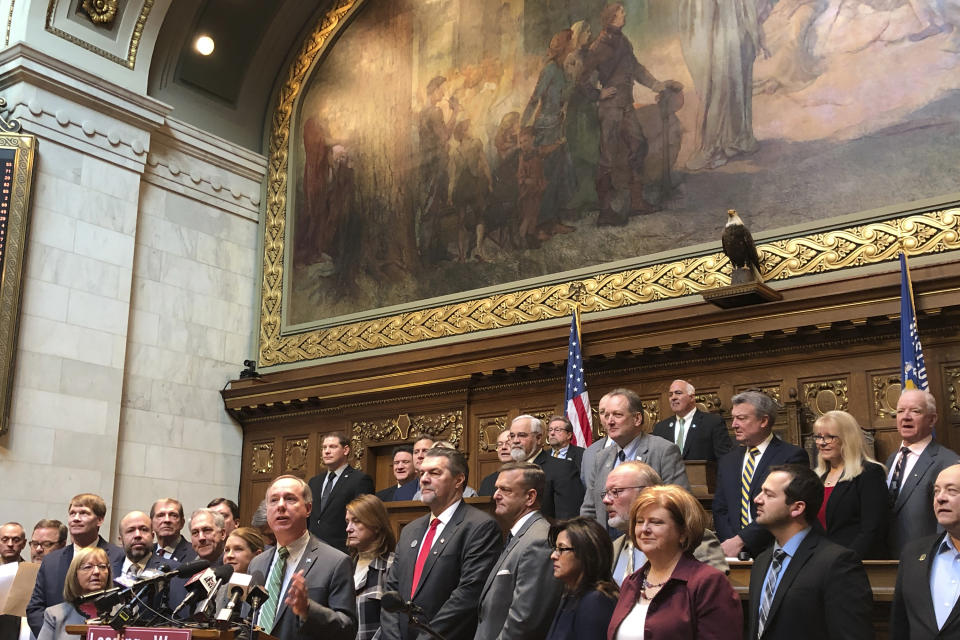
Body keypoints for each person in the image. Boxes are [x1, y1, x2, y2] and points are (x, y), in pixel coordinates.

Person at [380, 447, 502, 640]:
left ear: (458, 480)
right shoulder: (410, 529)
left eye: (434, 473)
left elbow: (467, 596)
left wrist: (426, 637)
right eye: (422, 473)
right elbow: (391, 590)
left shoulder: (480, 527)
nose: (424, 479)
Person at [747, 464, 872, 639]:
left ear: (797, 508)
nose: (757, 499)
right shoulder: (762, 561)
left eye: (769, 495)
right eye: (761, 492)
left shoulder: (837, 563)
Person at [608, 486, 742, 639]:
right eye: (639, 521)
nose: (644, 529)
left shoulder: (708, 582)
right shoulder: (631, 583)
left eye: (656, 522)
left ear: (683, 533)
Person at [579, 2, 668, 225]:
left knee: (639, 145)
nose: (624, 14)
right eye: (621, 12)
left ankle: (636, 202)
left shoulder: (624, 41)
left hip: (626, 105)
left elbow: (636, 68)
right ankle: (605, 211)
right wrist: (598, 94)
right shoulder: (598, 46)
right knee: (607, 158)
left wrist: (655, 84)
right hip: (610, 109)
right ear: (611, 18)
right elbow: (583, 77)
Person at [248, 475, 357, 640]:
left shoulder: (335, 562)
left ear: (308, 508)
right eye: (274, 500)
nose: (281, 506)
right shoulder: (257, 563)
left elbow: (347, 628)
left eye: (290, 499)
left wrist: (307, 609)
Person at [713, 391, 808, 559]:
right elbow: (720, 508)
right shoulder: (728, 460)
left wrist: (743, 540)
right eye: (733, 418)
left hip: (775, 550)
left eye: (741, 418)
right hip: (732, 554)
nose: (734, 424)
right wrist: (731, 542)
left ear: (763, 421)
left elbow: (784, 508)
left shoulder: (791, 456)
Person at [602, 461, 726, 584]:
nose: (606, 500)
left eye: (615, 491)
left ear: (647, 492)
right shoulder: (613, 549)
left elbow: (714, 590)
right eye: (606, 493)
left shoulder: (694, 539)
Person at [476, 463, 561, 640]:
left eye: (505, 490)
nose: (495, 496)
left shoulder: (539, 540)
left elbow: (525, 619)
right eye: (496, 488)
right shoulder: (520, 534)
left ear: (530, 497)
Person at [581, 388, 688, 520]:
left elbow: (680, 504)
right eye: (607, 415)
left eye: (617, 415)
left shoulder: (663, 451)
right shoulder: (601, 457)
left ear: (637, 418)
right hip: (607, 539)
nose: (610, 421)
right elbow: (589, 509)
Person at [27, 493, 124, 636]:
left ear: (100, 519)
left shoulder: (119, 556)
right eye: (72, 513)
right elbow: (36, 608)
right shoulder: (51, 560)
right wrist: (54, 633)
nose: (76, 519)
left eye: (83, 513)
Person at [886, 389, 960, 556]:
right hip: (887, 561)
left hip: (925, 559)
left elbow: (949, 523)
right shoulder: (891, 460)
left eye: (915, 411)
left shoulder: (947, 462)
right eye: (900, 411)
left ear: (932, 419)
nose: (905, 417)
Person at [890, 463, 960, 638]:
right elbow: (900, 625)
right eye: (936, 491)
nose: (940, 498)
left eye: (952, 491)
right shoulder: (913, 554)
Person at [812, 410, 889, 558]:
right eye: (818, 437)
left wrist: (847, 560)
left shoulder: (869, 473)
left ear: (848, 439)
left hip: (856, 562)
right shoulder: (817, 477)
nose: (821, 443)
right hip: (821, 562)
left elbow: (872, 529)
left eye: (829, 437)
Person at [544, 517, 618, 640]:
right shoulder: (572, 595)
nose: (553, 556)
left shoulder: (595, 601)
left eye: (562, 549)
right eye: (555, 549)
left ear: (586, 554)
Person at [307, 432, 375, 552]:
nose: (326, 451)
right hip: (312, 550)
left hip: (343, 551)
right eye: (324, 448)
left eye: (332, 447)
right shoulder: (314, 482)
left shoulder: (359, 480)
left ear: (346, 450)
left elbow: (363, 518)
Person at [508, 415, 585, 518]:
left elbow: (568, 520)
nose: (515, 440)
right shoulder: (508, 472)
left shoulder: (562, 469)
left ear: (539, 438)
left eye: (522, 435)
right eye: (512, 436)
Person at [345, 495, 396, 640]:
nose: (349, 529)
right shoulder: (343, 566)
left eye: (356, 521)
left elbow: (393, 623)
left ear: (376, 525)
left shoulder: (392, 566)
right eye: (347, 522)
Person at [36, 547, 113, 640]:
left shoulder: (124, 612)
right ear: (75, 574)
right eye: (88, 567)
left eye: (102, 566)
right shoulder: (55, 615)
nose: (97, 572)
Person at [652, 380, 732, 461]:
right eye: (670, 394)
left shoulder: (713, 423)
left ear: (692, 397)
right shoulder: (660, 428)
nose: (673, 398)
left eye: (678, 393)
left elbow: (725, 460)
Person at [151, 498, 197, 562]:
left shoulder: (196, 553)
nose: (167, 520)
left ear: (182, 523)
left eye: (173, 515)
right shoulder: (146, 553)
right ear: (151, 523)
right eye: (160, 515)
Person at [479, 430, 513, 495]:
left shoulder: (528, 477)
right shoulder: (488, 482)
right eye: (500, 444)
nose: (503, 447)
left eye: (508, 443)